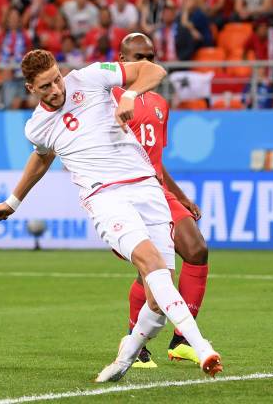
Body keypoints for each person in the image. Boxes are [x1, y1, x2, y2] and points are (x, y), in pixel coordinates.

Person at [0, 49, 222, 382]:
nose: (56, 89)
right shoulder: (37, 127)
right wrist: (13, 201)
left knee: (156, 303)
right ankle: (202, 348)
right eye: (45, 87)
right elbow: (42, 157)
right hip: (106, 197)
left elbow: (153, 70)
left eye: (56, 78)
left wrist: (130, 94)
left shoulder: (90, 77)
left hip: (146, 188)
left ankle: (124, 359)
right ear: (29, 88)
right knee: (152, 264)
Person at [112, 33, 211, 368]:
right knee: (152, 271)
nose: (147, 63)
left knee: (197, 250)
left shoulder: (159, 103)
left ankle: (181, 341)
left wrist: (180, 195)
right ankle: (135, 342)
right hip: (126, 193)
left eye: (151, 57)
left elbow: (155, 160)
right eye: (139, 56)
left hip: (159, 191)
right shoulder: (108, 97)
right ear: (122, 60)